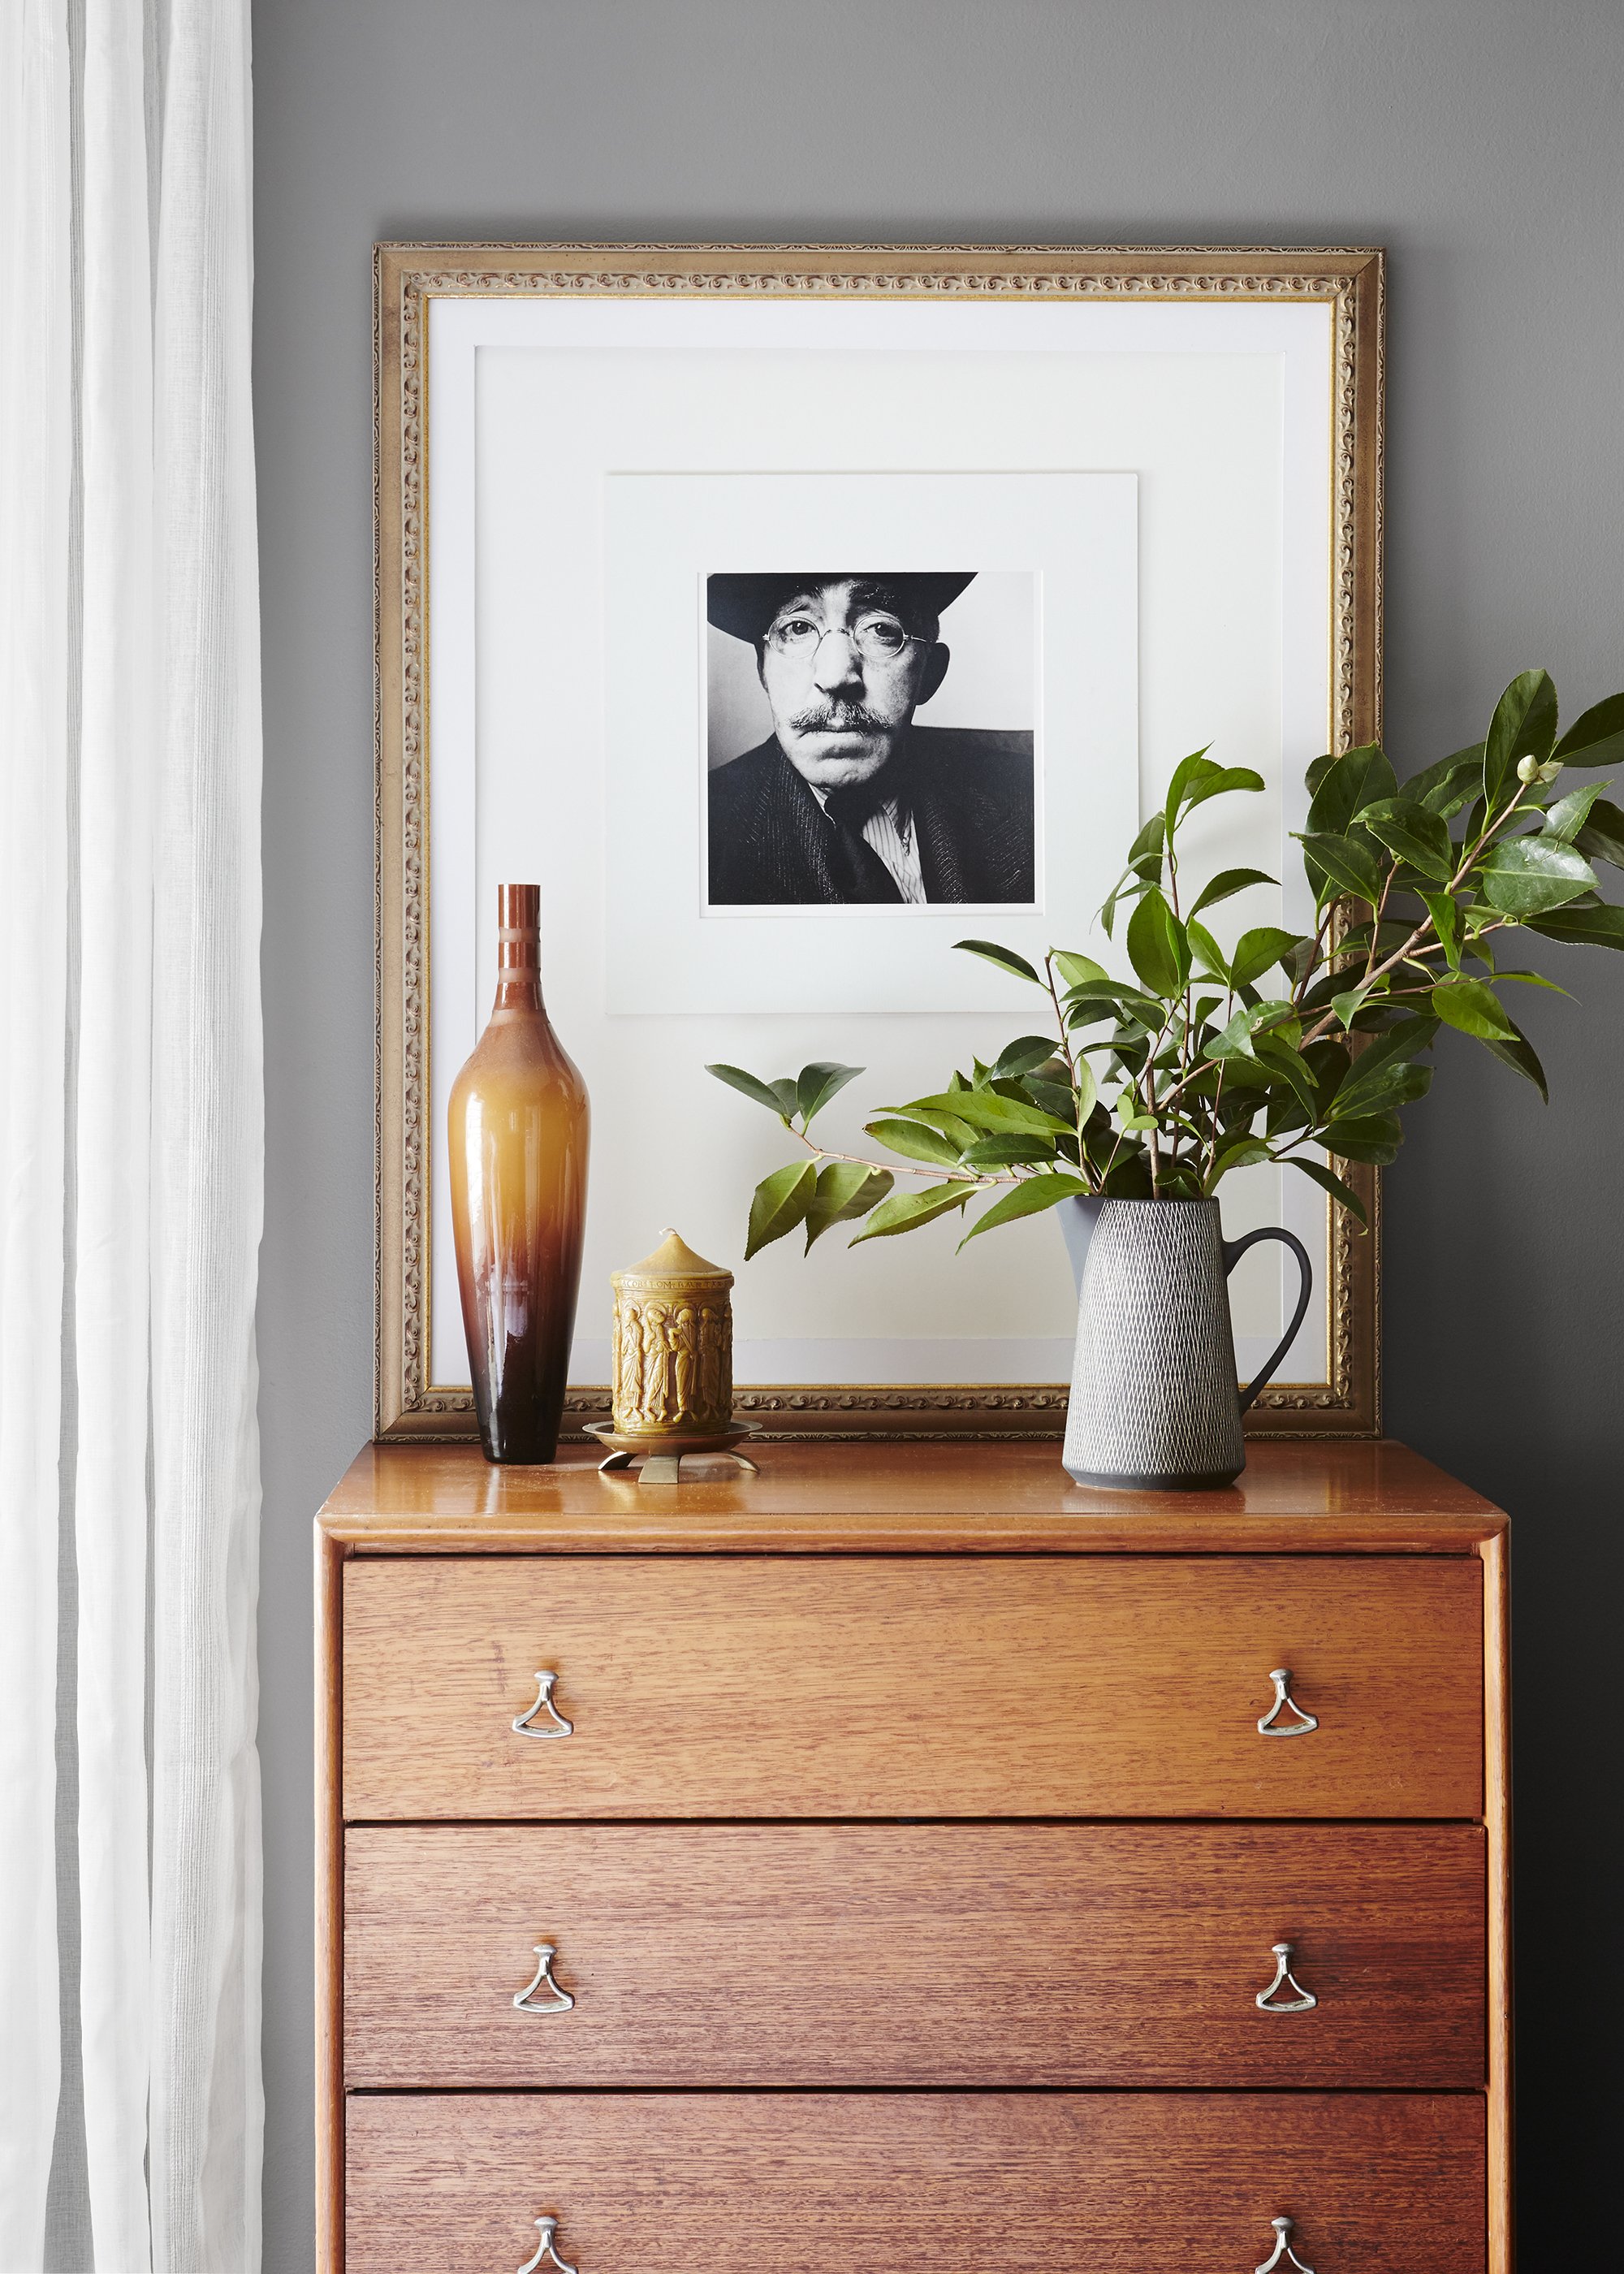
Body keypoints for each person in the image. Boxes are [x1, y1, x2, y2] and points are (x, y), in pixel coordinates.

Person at [706, 570, 1034, 906]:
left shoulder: (1033, 800)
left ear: (930, 674)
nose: (835, 676)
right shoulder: (700, 836)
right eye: (798, 628)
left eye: (880, 629)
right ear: (763, 668)